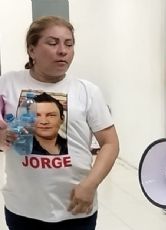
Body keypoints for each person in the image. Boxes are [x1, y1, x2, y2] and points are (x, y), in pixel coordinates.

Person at [0, 16, 119, 229]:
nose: (63, 50)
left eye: (69, 44)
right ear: (32, 50)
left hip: (76, 207)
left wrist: (90, 185)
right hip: (22, 209)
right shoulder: (8, 83)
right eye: (52, 43)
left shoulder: (87, 91)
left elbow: (110, 143)